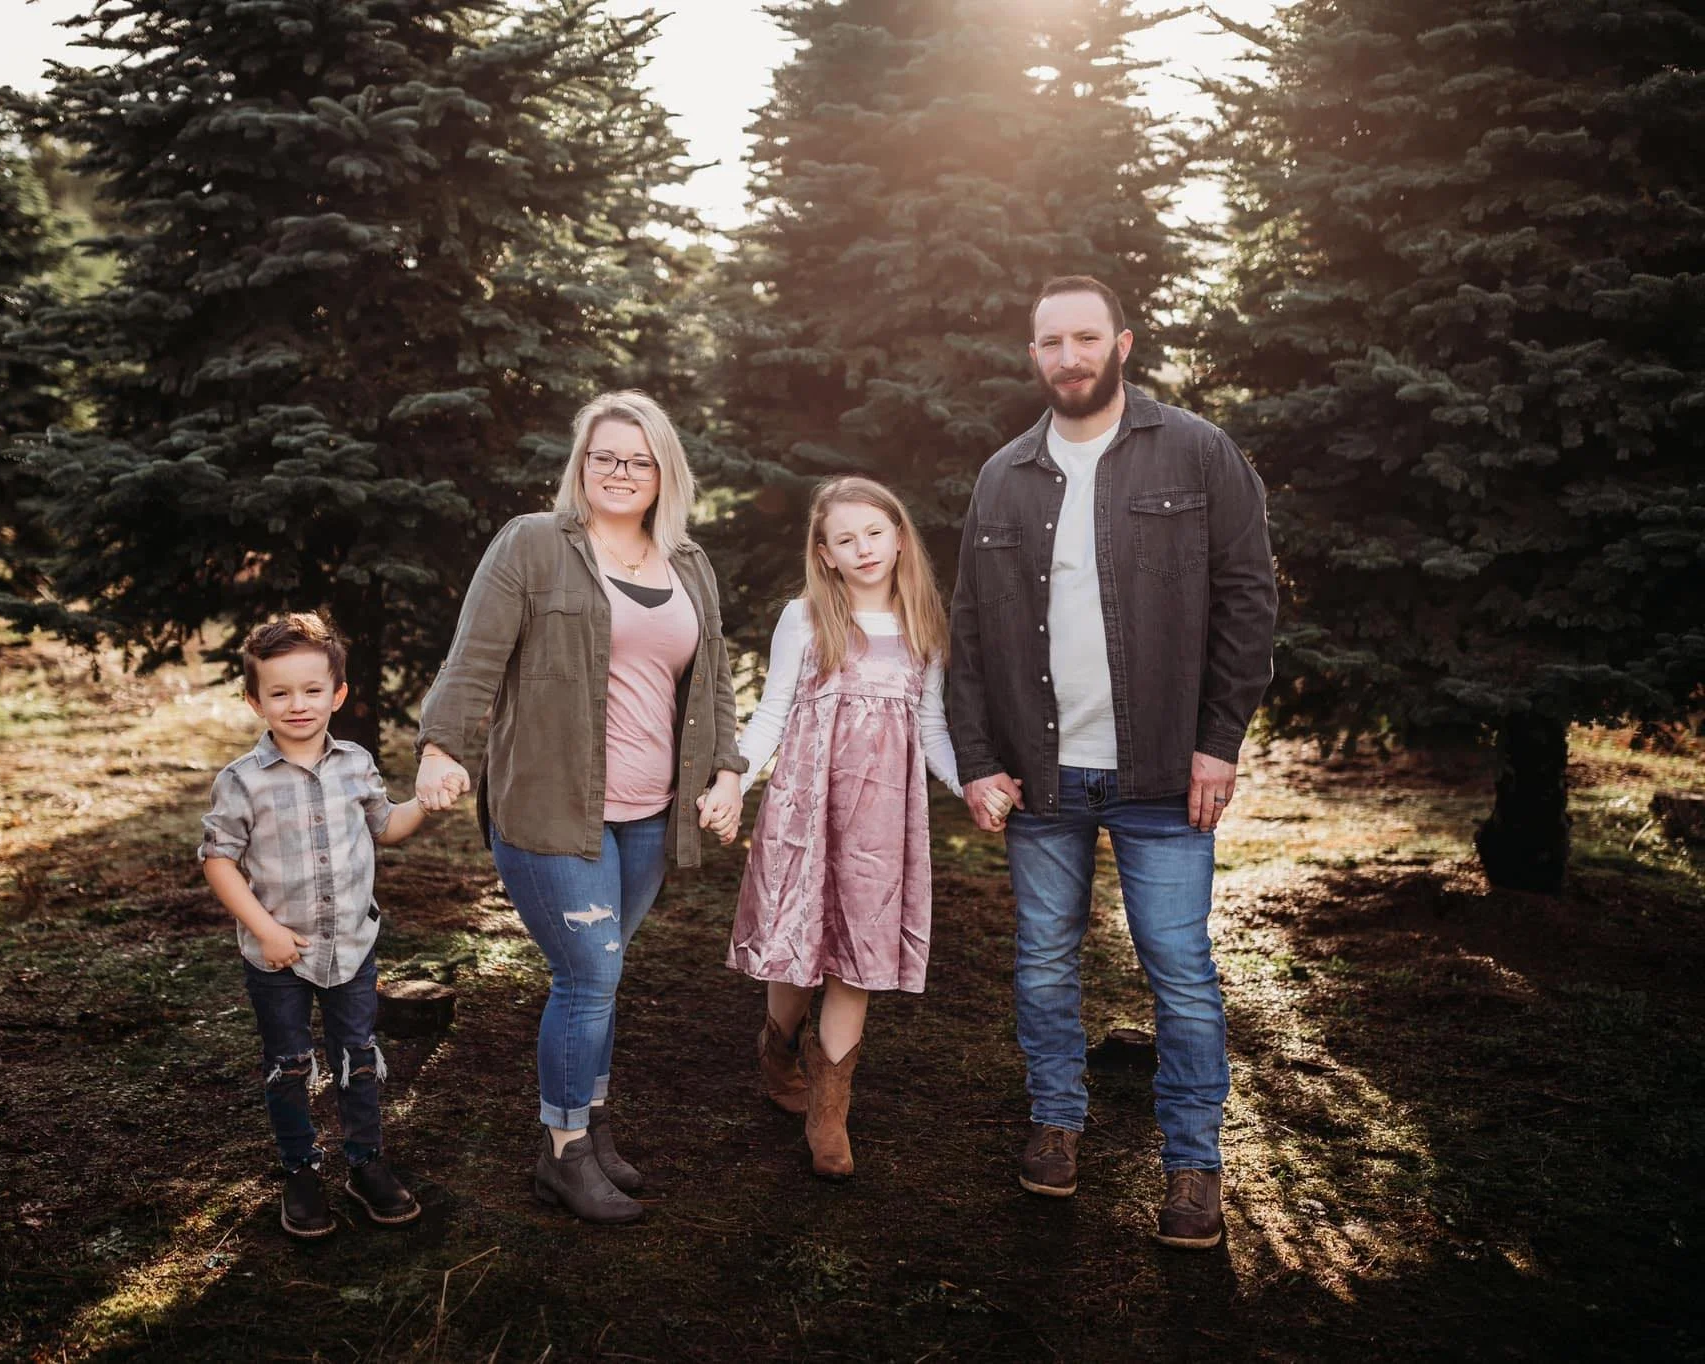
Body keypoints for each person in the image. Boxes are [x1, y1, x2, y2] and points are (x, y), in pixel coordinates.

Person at [948, 276, 1277, 1250]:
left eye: (1086, 338)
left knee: (1179, 968)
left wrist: (1218, 740)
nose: (1069, 357)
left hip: (1164, 773)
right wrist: (976, 760)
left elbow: (1247, 598)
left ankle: (1192, 1164)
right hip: (1040, 777)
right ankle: (1055, 1121)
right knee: (1044, 961)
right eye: (1051, 342)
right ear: (1033, 354)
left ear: (1121, 344)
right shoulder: (1002, 475)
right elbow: (968, 632)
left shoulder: (1197, 452)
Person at [413, 391, 744, 1225]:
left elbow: (713, 683)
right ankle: (562, 1154)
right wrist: (441, 747)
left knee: (604, 975)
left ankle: (590, 1129)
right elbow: (474, 656)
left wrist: (727, 772)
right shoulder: (534, 544)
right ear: (581, 465)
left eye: (639, 460)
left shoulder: (689, 562)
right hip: (554, 809)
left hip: (650, 816)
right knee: (588, 974)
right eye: (605, 457)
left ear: (664, 471)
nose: (621, 472)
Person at [728, 476, 964, 1179]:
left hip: (881, 822)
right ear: (824, 553)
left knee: (856, 951)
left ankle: (829, 1112)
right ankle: (779, 1049)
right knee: (797, 946)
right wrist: (731, 780)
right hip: (805, 809)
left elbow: (932, 728)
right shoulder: (805, 618)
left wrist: (971, 785)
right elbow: (771, 714)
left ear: (900, 537)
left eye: (875, 533)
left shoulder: (923, 623)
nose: (863, 549)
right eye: (845, 539)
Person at [199, 612, 431, 1237]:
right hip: (278, 955)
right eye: (279, 693)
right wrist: (265, 930)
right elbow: (218, 861)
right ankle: (300, 1171)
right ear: (255, 701)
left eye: (311, 690)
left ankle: (365, 1163)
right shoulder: (241, 782)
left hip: (351, 946)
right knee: (289, 1064)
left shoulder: (356, 763)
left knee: (358, 1057)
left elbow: (386, 826)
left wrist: (427, 802)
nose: (297, 704)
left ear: (338, 694)